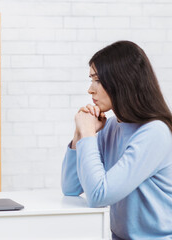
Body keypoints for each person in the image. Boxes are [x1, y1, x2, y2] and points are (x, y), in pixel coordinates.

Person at [61, 41, 172, 239]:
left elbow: (98, 196)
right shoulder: (112, 126)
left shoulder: (154, 133)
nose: (90, 90)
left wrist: (88, 133)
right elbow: (71, 187)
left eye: (98, 80)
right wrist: (79, 133)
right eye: (91, 80)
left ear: (122, 81)